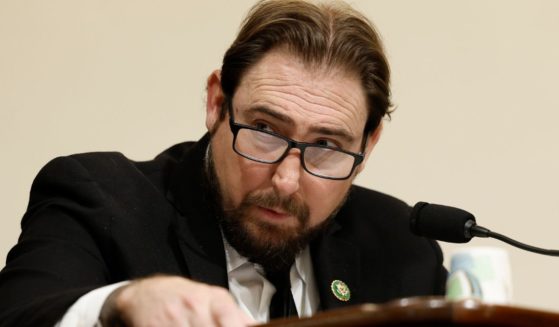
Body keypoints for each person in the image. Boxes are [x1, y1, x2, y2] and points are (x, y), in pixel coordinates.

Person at [0, 0, 447, 326]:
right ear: (217, 104)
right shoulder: (101, 200)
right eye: (267, 131)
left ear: (368, 146)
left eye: (327, 144)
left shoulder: (401, 247)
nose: (287, 180)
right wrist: (119, 305)